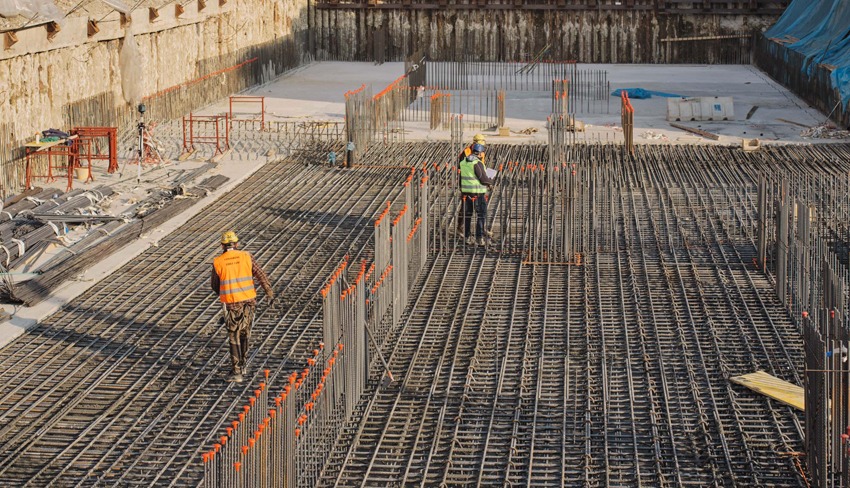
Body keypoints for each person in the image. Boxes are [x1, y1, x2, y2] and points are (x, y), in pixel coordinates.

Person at [211, 231, 275, 383]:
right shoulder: (246, 256)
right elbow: (260, 274)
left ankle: (237, 372)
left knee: (234, 336)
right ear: (237, 244)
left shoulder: (218, 262)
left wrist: (225, 293)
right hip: (249, 302)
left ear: (222, 246)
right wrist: (269, 292)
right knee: (245, 332)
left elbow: (215, 285)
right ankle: (243, 364)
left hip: (232, 304)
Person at [459, 144, 494, 246]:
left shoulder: (463, 162)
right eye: (483, 152)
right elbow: (482, 178)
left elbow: (461, 178)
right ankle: (479, 238)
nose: (483, 154)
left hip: (466, 193)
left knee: (468, 215)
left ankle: (467, 237)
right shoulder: (477, 163)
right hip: (477, 194)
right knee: (481, 215)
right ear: (479, 153)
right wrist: (490, 182)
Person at [456, 134, 488, 236]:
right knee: (467, 210)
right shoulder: (466, 153)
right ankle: (460, 228)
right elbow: (465, 169)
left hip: (476, 184)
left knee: (478, 211)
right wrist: (487, 181)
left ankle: (481, 229)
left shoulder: (480, 152)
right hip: (468, 184)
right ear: (474, 143)